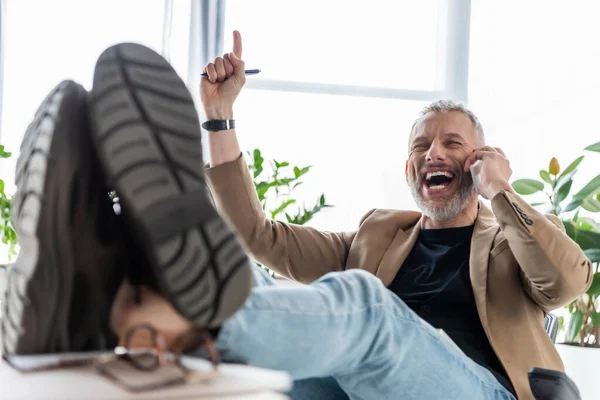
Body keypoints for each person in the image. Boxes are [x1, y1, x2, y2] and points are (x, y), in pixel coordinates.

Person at [1, 33, 591, 400]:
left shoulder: (507, 241)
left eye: (453, 144)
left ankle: (153, 306)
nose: (434, 153)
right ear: (409, 168)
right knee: (256, 287)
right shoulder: (380, 233)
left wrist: (502, 192)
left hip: (476, 393)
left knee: (366, 311)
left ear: (480, 157)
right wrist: (219, 120)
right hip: (356, 388)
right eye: (420, 146)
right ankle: (101, 284)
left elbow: (567, 281)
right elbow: (261, 237)